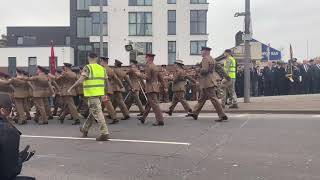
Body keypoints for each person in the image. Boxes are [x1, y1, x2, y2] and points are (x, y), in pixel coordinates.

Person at [68, 53, 109, 141]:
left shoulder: (88, 67)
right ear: (97, 58)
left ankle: (104, 133)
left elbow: (80, 80)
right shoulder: (102, 68)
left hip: (92, 95)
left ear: (88, 58)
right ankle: (84, 129)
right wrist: (106, 93)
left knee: (98, 113)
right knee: (93, 113)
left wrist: (71, 87)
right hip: (100, 94)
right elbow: (106, 83)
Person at [187, 47, 229, 122]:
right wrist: (226, 76)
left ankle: (222, 115)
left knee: (214, 99)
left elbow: (204, 71)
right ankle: (195, 113)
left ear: (206, 51)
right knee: (202, 99)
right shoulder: (212, 58)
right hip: (209, 81)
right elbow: (218, 68)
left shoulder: (205, 59)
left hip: (207, 82)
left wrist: (198, 69)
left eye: (202, 51)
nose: (201, 52)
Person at [0, 93, 36, 180]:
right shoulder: (9, 131)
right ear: (2, 110)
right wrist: (19, 159)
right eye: (11, 110)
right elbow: (8, 173)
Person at [137, 53, 167, 126]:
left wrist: (139, 74)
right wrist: (164, 86)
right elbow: (160, 78)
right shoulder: (155, 66)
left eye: (146, 57)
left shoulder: (149, 66)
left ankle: (160, 120)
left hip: (150, 88)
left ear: (149, 58)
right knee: (149, 104)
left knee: (154, 105)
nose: (145, 58)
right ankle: (143, 117)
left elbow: (147, 77)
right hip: (154, 87)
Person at [99, 57, 123, 124]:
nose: (100, 62)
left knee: (107, 103)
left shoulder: (101, 69)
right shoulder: (110, 69)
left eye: (100, 61)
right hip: (108, 88)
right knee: (102, 104)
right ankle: (97, 117)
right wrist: (121, 86)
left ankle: (114, 118)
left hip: (103, 89)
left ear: (103, 61)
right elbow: (116, 78)